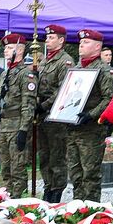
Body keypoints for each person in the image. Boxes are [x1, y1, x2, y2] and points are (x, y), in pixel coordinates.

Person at [66, 29, 113, 202]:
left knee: (90, 174)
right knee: (75, 174)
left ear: (97, 47)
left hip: (91, 130)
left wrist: (90, 114)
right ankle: (78, 207)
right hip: (73, 128)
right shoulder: (76, 69)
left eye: (86, 42)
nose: (81, 45)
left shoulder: (104, 70)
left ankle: (92, 210)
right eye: (80, 42)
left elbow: (110, 98)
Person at [0, 33, 36, 198]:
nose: (6, 51)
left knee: (18, 169)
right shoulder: (5, 74)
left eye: (10, 48)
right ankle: (8, 199)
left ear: (20, 50)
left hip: (17, 125)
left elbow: (28, 104)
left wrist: (24, 129)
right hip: (3, 125)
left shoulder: (26, 74)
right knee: (6, 168)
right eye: (5, 48)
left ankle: (18, 202)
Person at [36, 25, 74, 203]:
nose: (47, 40)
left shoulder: (65, 61)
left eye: (52, 38)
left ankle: (57, 191)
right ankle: (48, 187)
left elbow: (63, 89)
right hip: (42, 117)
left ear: (61, 40)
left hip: (56, 116)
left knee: (57, 157)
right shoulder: (44, 61)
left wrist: (44, 105)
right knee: (44, 156)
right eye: (47, 37)